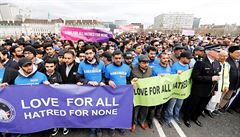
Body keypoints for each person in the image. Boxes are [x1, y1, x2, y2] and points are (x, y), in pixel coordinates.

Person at [183, 45, 222, 128]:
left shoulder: (217, 63)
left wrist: (215, 89)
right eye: (217, 52)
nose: (219, 53)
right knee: (192, 105)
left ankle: (195, 117)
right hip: (199, 89)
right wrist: (210, 78)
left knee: (202, 106)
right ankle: (186, 118)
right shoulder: (201, 62)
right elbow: (195, 77)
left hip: (209, 90)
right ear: (210, 52)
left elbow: (216, 77)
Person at [12, 57, 49, 137]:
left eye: (30, 64)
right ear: (20, 68)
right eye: (26, 66)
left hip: (40, 109)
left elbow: (49, 92)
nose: (29, 67)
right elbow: (16, 95)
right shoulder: (17, 80)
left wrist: (50, 86)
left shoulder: (41, 76)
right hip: (26, 110)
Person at [77, 45, 105, 137]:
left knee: (99, 110)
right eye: (86, 53)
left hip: (99, 90)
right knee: (90, 110)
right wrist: (88, 81)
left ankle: (99, 128)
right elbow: (78, 77)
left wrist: (102, 82)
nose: (88, 55)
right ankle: (92, 129)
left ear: (94, 53)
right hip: (87, 91)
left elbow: (105, 76)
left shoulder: (101, 63)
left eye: (90, 53)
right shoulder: (82, 64)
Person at [105, 50, 131, 136]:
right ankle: (112, 127)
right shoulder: (108, 67)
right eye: (116, 58)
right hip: (111, 93)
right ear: (112, 58)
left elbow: (127, 79)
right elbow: (105, 79)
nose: (118, 60)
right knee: (112, 111)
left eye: (120, 58)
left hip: (123, 94)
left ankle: (120, 126)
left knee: (121, 110)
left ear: (122, 58)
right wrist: (108, 81)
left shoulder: (127, 68)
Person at [163, 51, 192, 128]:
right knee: (171, 106)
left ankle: (176, 117)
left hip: (182, 90)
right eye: (188, 58)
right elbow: (171, 78)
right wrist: (177, 75)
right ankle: (167, 119)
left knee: (179, 105)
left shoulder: (187, 66)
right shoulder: (175, 66)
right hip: (174, 91)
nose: (190, 60)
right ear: (182, 58)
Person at [130, 55, 153, 132]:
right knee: (135, 109)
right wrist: (132, 81)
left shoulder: (150, 70)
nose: (146, 64)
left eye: (147, 63)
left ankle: (142, 121)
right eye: (144, 63)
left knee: (145, 109)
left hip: (146, 94)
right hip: (136, 94)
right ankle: (133, 123)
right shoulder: (133, 70)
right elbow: (128, 80)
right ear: (139, 63)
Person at [206, 50, 230, 116]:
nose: (224, 57)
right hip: (215, 83)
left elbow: (227, 76)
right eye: (223, 56)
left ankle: (211, 109)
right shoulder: (215, 63)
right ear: (219, 55)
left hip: (222, 85)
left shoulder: (227, 65)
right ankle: (207, 109)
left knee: (217, 98)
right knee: (212, 98)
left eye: (226, 56)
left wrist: (226, 85)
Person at [219, 46, 240, 112]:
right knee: (220, 97)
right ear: (230, 53)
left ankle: (219, 108)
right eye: (237, 52)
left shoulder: (237, 61)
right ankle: (214, 108)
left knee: (227, 97)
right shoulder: (227, 61)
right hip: (226, 84)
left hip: (234, 85)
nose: (239, 54)